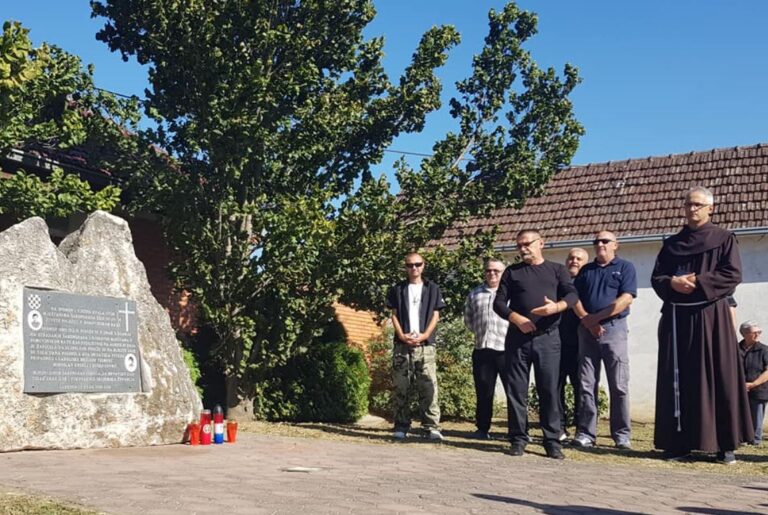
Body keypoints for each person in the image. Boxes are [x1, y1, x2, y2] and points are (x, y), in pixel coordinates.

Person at [651, 186, 753, 464]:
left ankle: (724, 444)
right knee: (680, 379)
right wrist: (672, 282)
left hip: (711, 317)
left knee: (718, 375)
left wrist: (697, 283)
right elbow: (657, 277)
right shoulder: (671, 244)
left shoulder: (724, 239)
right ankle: (679, 443)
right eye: (688, 204)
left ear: (711, 208)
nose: (692, 209)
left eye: (697, 204)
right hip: (677, 319)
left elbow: (732, 274)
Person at [493, 230, 578, 459]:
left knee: (549, 390)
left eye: (527, 244)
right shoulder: (512, 272)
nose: (523, 249)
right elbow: (499, 304)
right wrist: (516, 318)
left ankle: (552, 440)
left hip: (548, 338)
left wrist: (556, 307)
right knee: (516, 390)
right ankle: (518, 438)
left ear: (541, 243)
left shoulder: (557, 270)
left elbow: (572, 296)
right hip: (518, 339)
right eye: (519, 245)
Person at [571, 231, 637, 450]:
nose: (600, 244)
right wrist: (588, 322)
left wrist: (596, 319)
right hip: (587, 332)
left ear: (615, 245)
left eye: (605, 241)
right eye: (596, 241)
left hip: (614, 329)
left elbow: (625, 299)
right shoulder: (585, 271)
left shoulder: (625, 268)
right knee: (586, 384)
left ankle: (621, 435)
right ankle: (586, 433)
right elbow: (574, 299)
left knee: (618, 384)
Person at [386, 252, 446, 441]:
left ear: (423, 266)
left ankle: (431, 427)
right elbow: (394, 314)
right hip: (402, 345)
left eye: (417, 264)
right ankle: (401, 425)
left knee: (428, 385)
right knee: (401, 386)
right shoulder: (397, 289)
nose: (414, 268)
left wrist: (425, 335)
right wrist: (402, 335)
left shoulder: (432, 288)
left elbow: (436, 314)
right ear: (405, 267)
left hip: (426, 345)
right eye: (410, 265)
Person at [464, 258, 509, 440]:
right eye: (488, 271)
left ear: (503, 273)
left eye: (496, 271)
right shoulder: (475, 294)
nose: (492, 274)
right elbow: (468, 319)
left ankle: (517, 430)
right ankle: (482, 428)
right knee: (484, 391)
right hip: (482, 348)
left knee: (513, 391)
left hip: (507, 349)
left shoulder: (511, 293)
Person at [558, 248, 589, 441]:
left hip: (582, 343)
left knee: (581, 386)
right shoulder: (558, 282)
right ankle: (559, 427)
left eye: (579, 259)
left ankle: (581, 427)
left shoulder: (587, 283)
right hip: (558, 342)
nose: (574, 261)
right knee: (556, 386)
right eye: (571, 258)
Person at [738, 321, 768, 445]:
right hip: (739, 389)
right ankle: (742, 437)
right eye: (754, 332)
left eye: (759, 332)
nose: (757, 335)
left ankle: (755, 439)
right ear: (744, 334)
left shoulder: (764, 350)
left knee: (757, 415)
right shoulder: (735, 349)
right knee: (740, 414)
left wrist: (753, 384)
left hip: (759, 389)